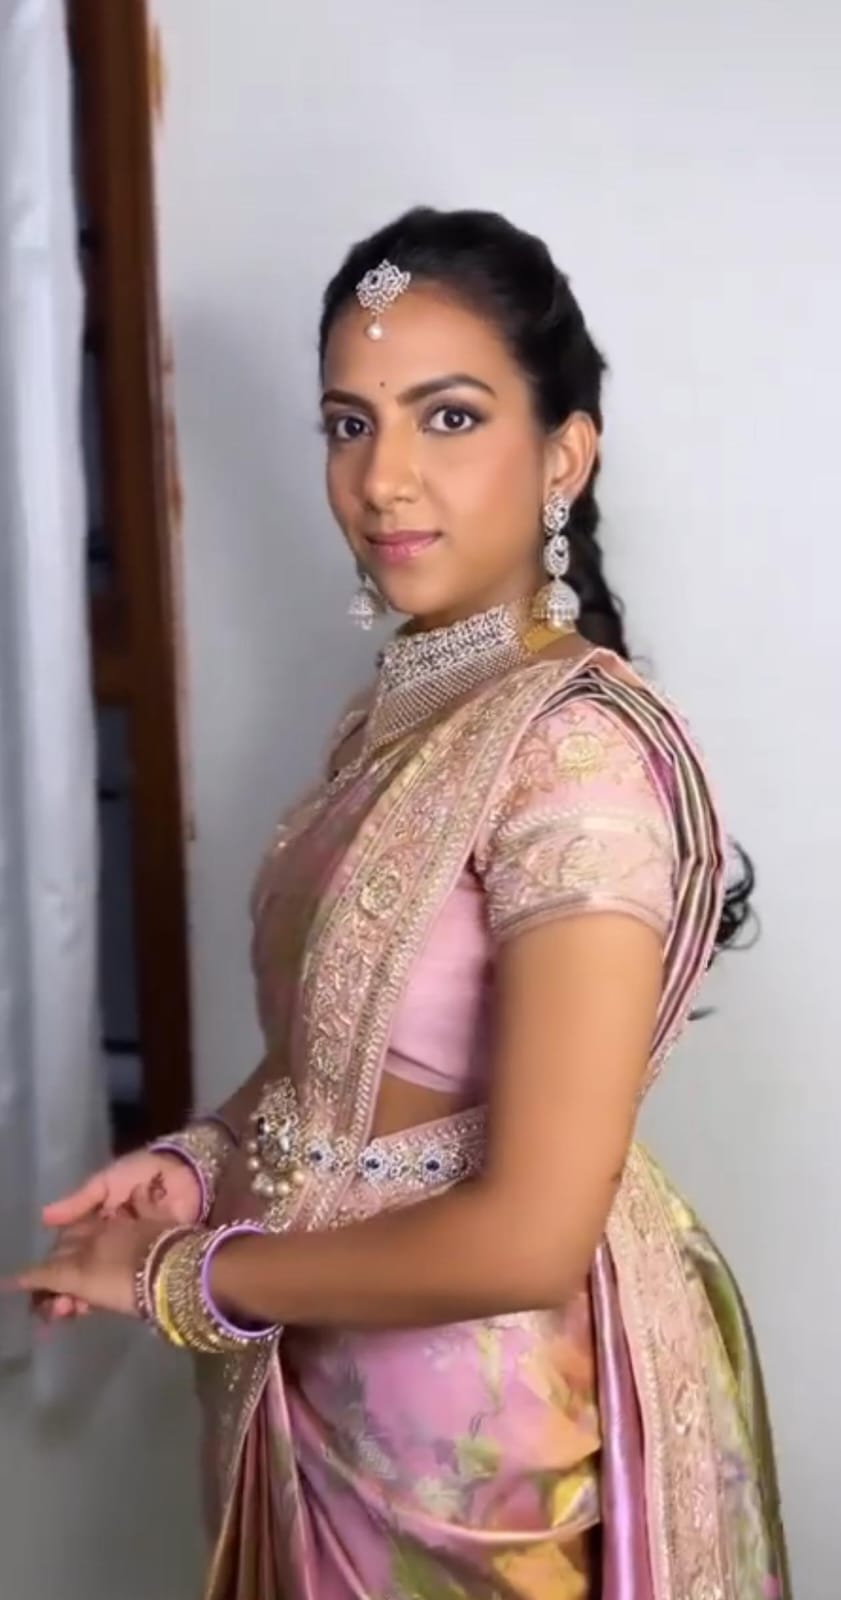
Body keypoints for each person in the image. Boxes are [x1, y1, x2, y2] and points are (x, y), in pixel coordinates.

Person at [9, 208, 789, 1600]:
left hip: (480, 1446)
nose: (382, 478)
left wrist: (187, 1277)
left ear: (563, 456)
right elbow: (346, 1059)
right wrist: (203, 1157)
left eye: (449, 417)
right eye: (348, 424)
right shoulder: (396, 718)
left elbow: (531, 1233)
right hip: (315, 1381)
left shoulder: (572, 756)